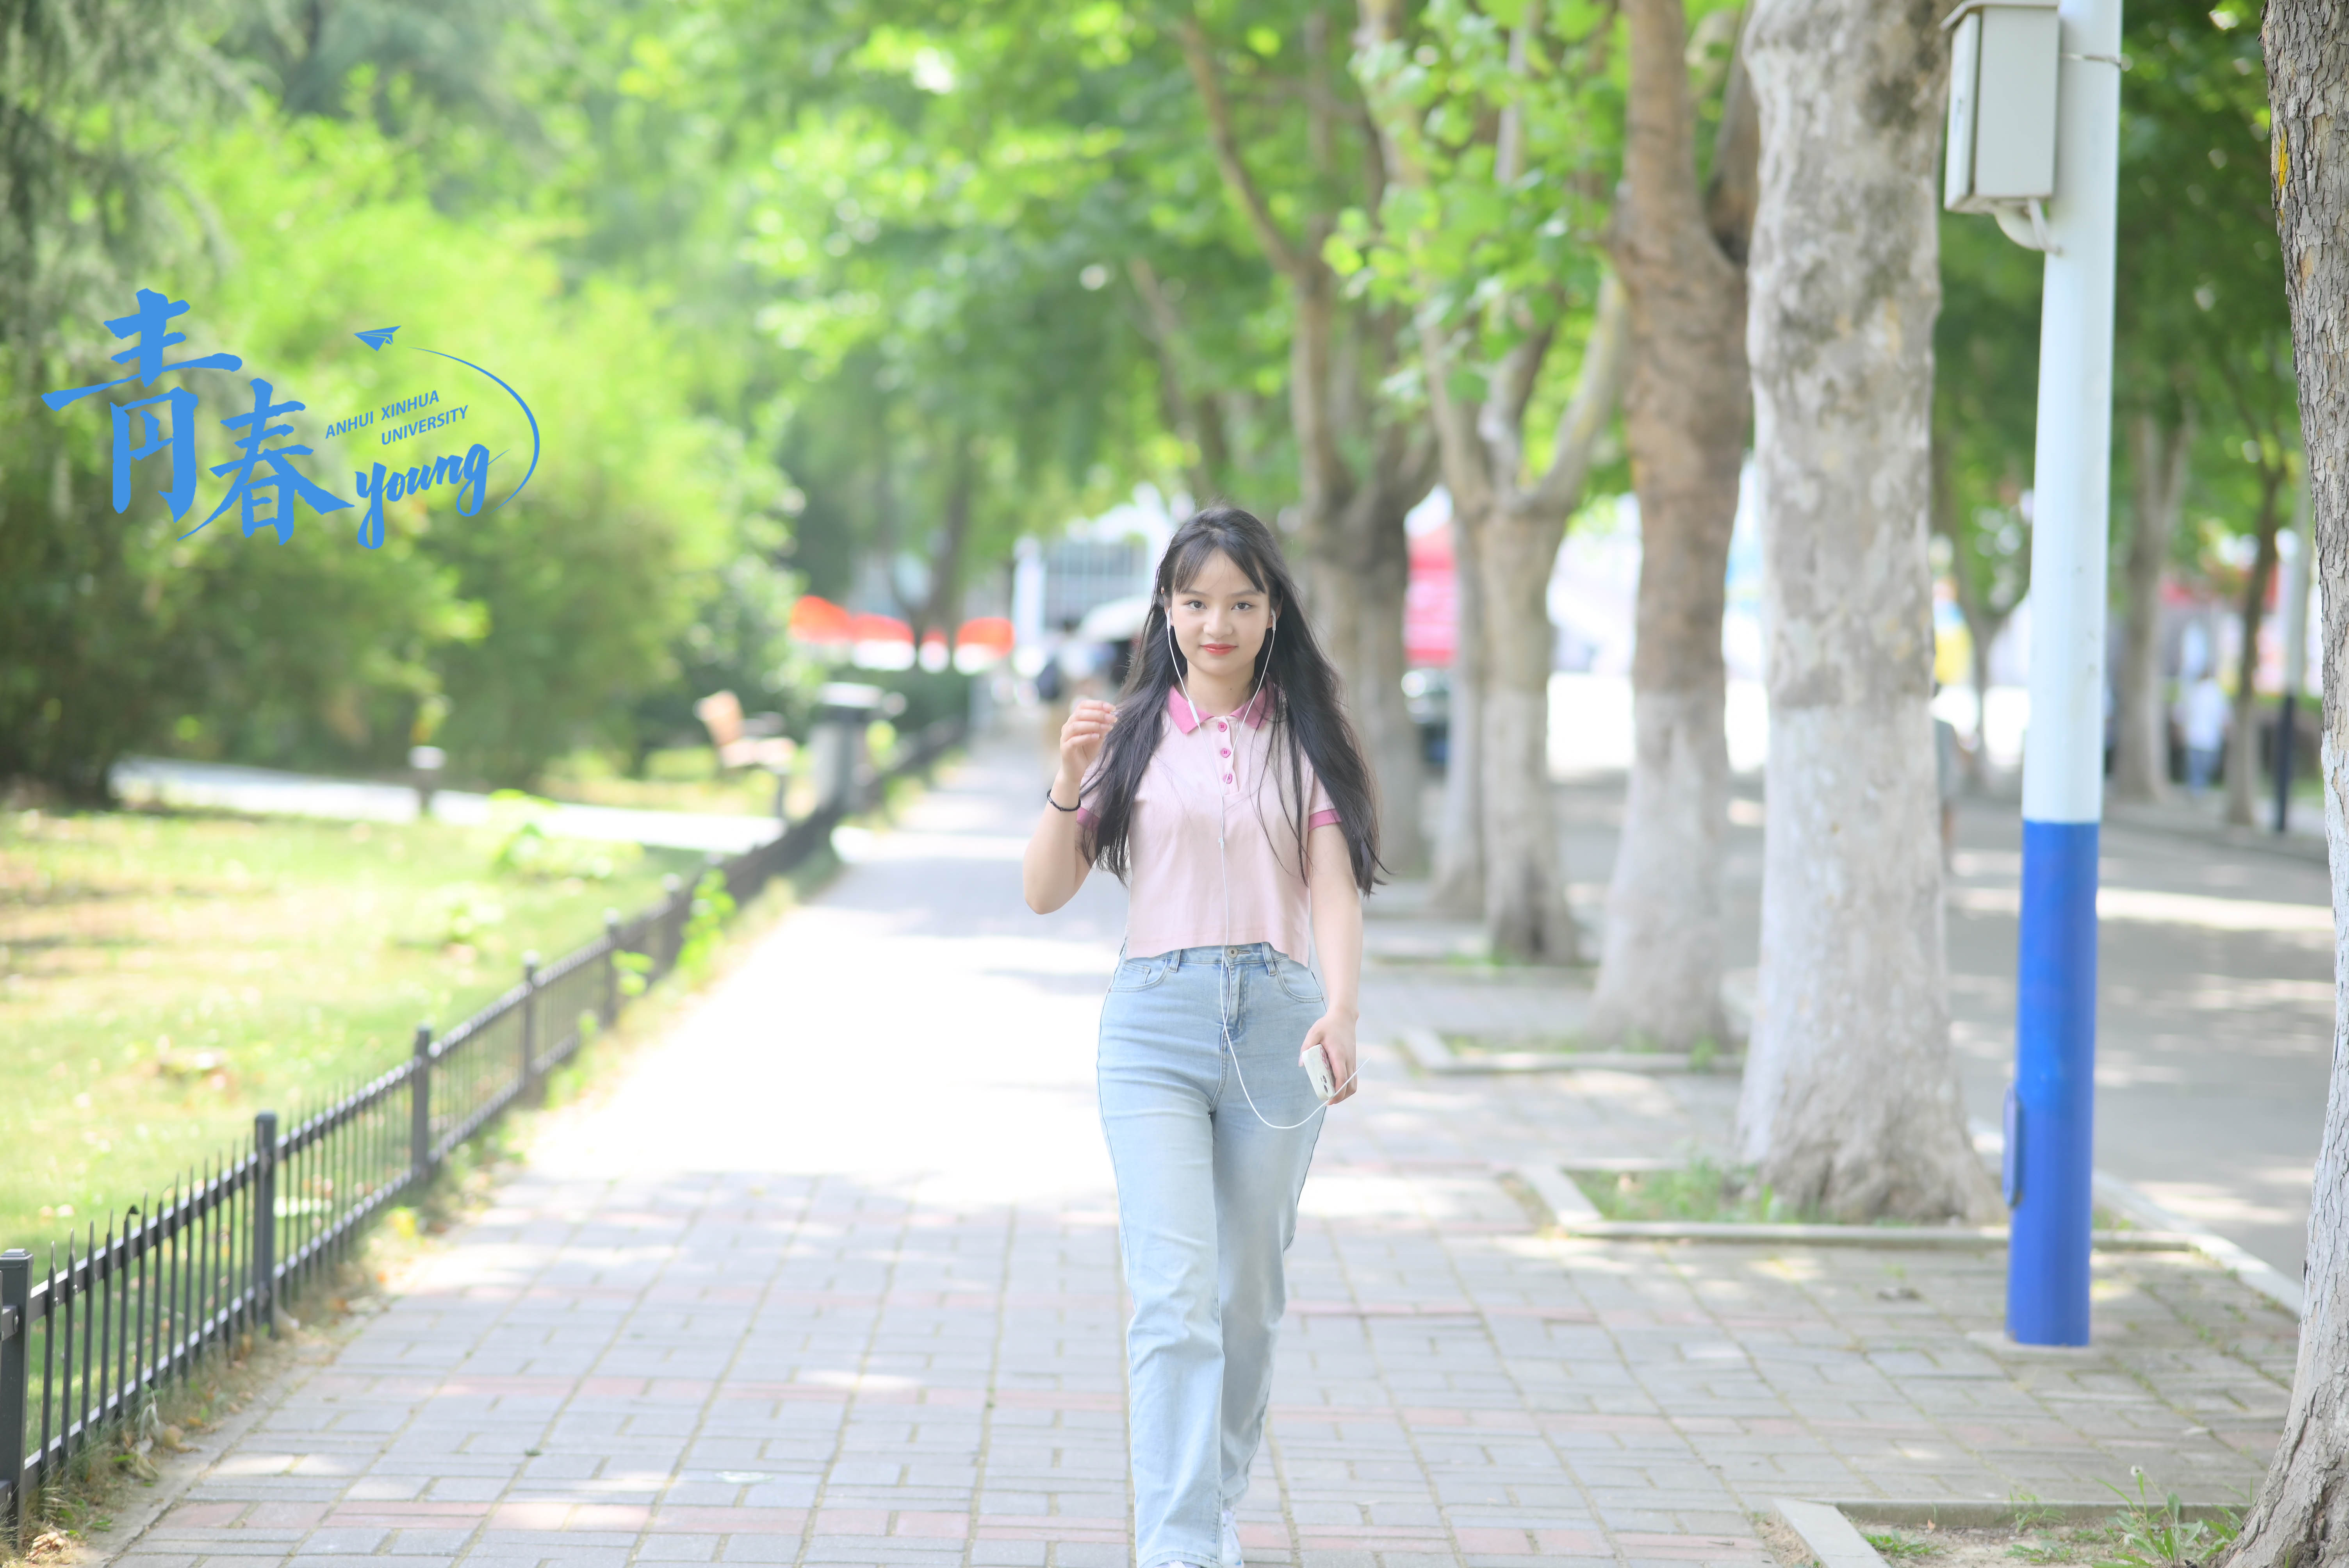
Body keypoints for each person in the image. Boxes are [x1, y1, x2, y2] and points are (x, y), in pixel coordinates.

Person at [1021, 506, 1379, 1568]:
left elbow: (1333, 887)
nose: (1216, 624)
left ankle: (1214, 1495)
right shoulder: (1129, 732)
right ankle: (1178, 1541)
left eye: (1240, 603)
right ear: (1167, 613)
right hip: (1154, 1027)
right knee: (1174, 1296)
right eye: (1195, 602)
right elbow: (1045, 890)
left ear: (1272, 616)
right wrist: (1068, 776)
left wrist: (1342, 1007)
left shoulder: (1307, 737)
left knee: (1246, 1294)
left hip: (1278, 1022)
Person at [2177, 671, 2230, 796]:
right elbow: (2224, 715)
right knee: (2201, 765)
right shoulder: (2215, 693)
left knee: (2197, 765)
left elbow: (2181, 713)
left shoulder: (2196, 691)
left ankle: (2198, 788)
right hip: (2203, 737)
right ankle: (2198, 789)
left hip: (2198, 736)